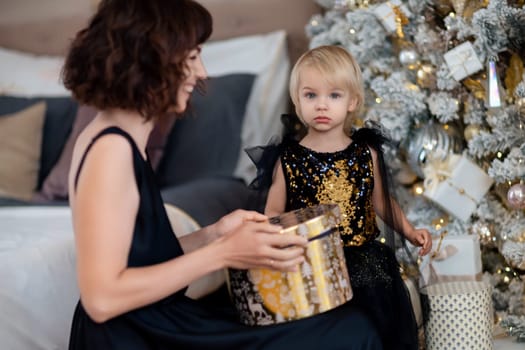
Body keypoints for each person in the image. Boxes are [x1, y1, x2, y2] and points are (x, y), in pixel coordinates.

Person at [64, 1, 384, 349]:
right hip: (131, 336)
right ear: (151, 59)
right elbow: (102, 299)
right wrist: (223, 253)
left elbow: (138, 258)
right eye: (191, 57)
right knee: (350, 332)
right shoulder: (111, 151)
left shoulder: (116, 138)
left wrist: (214, 235)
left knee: (346, 324)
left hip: (153, 321)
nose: (201, 72)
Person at [261, 45, 432, 350]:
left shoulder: (365, 153)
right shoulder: (288, 159)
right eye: (311, 95)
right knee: (324, 335)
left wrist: (409, 231)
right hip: (313, 263)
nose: (321, 105)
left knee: (373, 330)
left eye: (334, 95)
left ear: (352, 101)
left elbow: (381, 202)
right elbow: (274, 213)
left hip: (364, 260)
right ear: (298, 102)